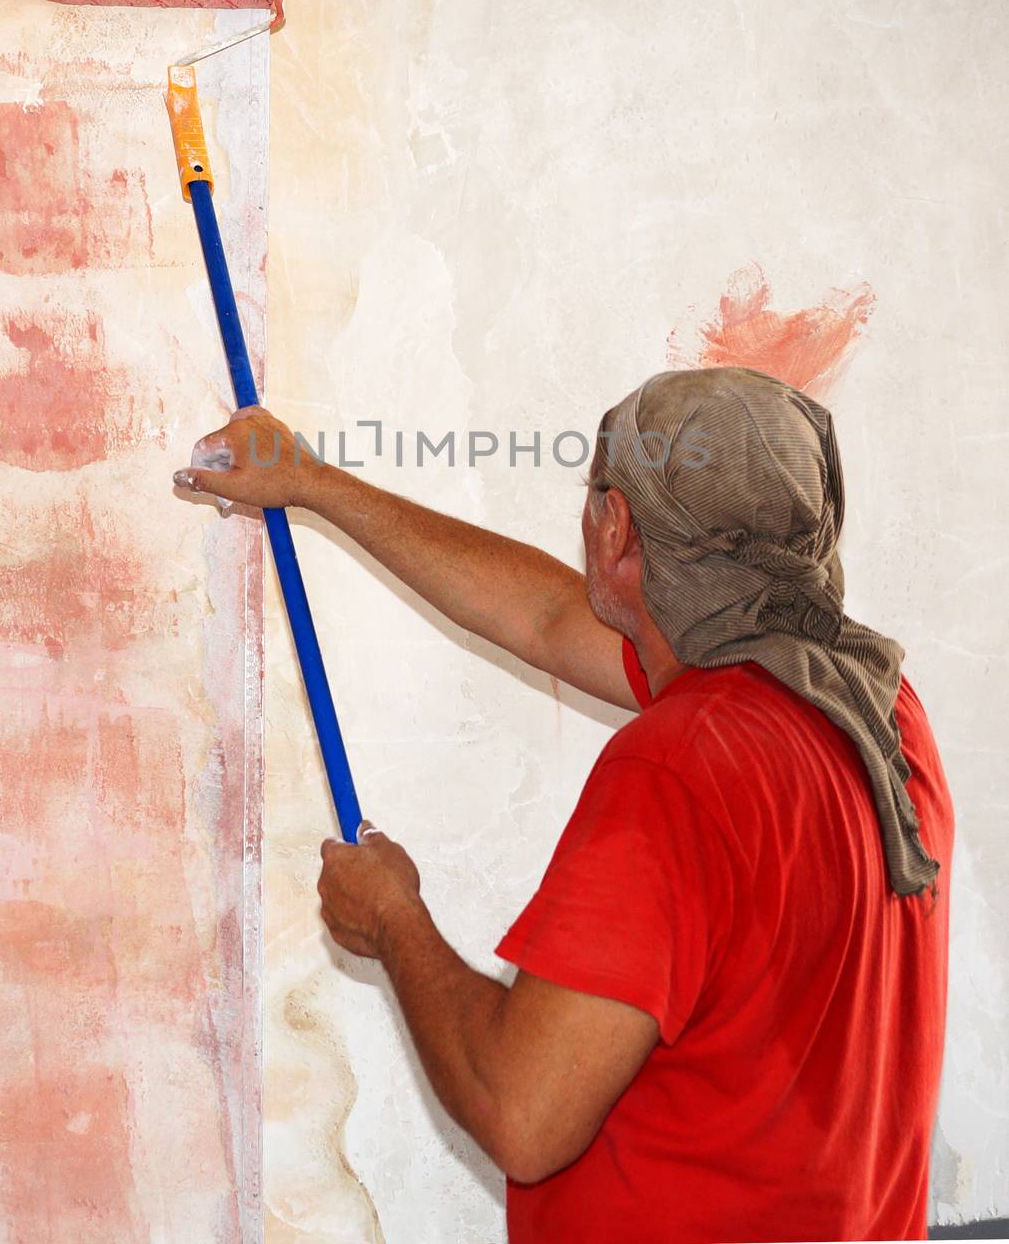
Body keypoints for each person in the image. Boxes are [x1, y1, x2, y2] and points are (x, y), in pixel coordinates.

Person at [174, 366, 953, 1243]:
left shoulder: (677, 771)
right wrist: (314, 484)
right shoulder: (873, 707)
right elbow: (544, 616)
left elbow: (521, 1112)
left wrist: (396, 923)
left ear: (614, 527)